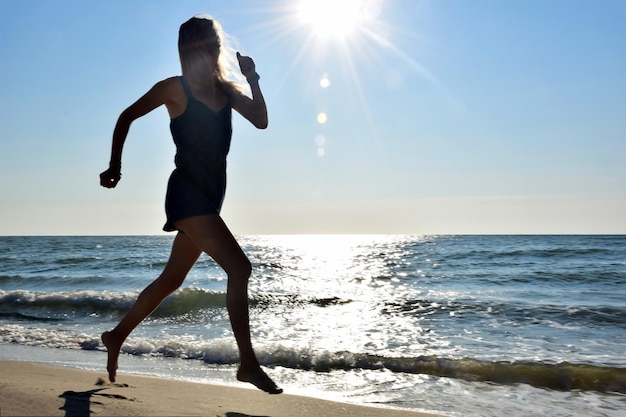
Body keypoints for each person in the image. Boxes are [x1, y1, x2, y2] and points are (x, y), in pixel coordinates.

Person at [98, 15, 282, 395]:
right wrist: (115, 166)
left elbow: (261, 121)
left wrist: (253, 79)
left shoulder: (227, 91)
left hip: (211, 198)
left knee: (171, 280)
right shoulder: (173, 88)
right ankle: (247, 364)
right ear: (185, 49)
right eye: (197, 44)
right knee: (240, 268)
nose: (206, 50)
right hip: (186, 194)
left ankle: (115, 336)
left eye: (212, 43)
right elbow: (126, 117)